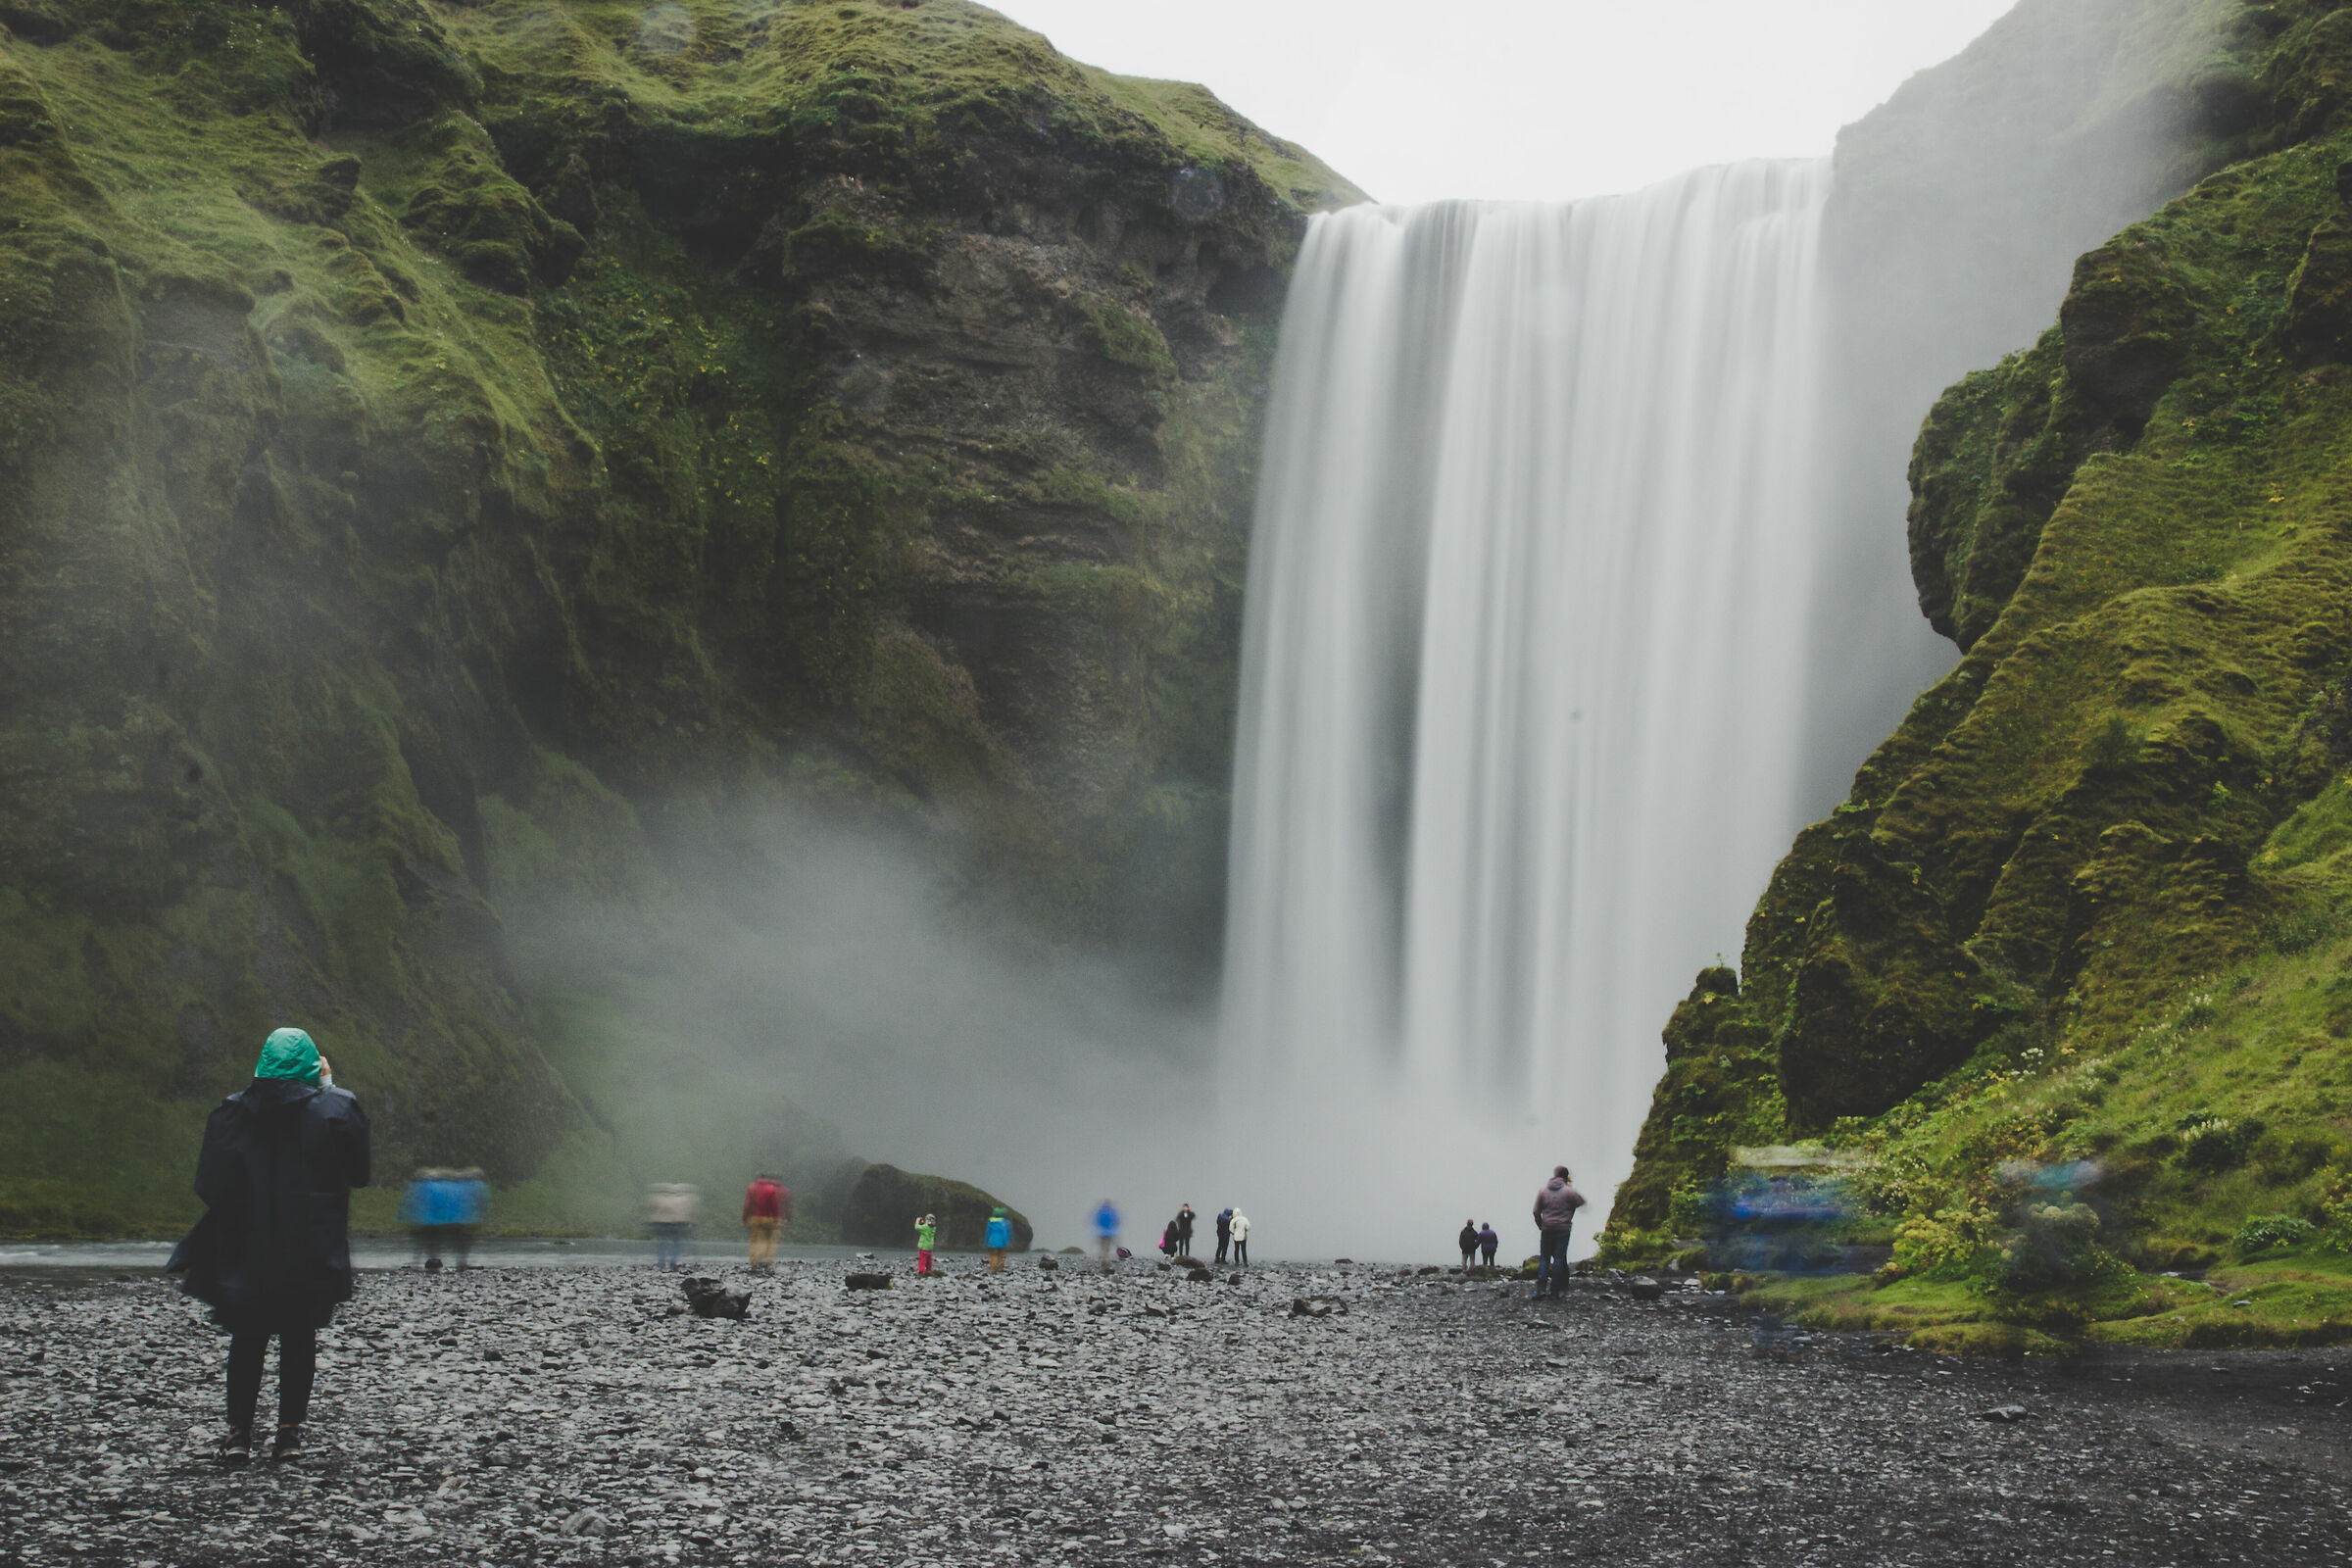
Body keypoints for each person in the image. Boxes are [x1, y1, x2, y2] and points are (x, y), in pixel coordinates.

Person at [170, 1027, 370, 1465]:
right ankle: (288, 1437)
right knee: (299, 1337)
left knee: (247, 1338)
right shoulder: (338, 1109)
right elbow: (359, 1171)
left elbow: (209, 1184)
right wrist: (330, 1089)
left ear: (262, 1064)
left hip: (245, 1245)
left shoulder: (230, 1113)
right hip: (310, 1246)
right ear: (312, 1066)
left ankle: (239, 1434)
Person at [1533, 1165, 1587, 1299]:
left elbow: (1535, 1211)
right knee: (1559, 1258)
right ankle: (1555, 1290)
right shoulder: (1569, 1192)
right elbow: (1581, 1202)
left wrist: (1541, 1224)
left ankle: (1540, 1289)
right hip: (1563, 1228)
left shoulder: (1543, 1191)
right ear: (1566, 1177)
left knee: (1544, 1258)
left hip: (1547, 1228)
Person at [645, 1183, 698, 1270]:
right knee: (677, 1243)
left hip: (661, 1223)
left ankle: (661, 1263)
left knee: (662, 1243)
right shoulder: (689, 1199)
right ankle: (673, 1261)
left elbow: (650, 1208)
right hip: (681, 1223)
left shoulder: (656, 1198)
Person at [742, 1173, 789, 1272]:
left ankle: (754, 1263)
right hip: (769, 1218)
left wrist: (744, 1218)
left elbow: (747, 1204)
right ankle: (768, 1262)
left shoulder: (751, 1188)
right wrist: (776, 1217)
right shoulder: (770, 1189)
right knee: (771, 1241)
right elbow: (774, 1205)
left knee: (754, 1241)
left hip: (755, 1218)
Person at [450, 1168, 488, 1269]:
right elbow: (482, 1201)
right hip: (471, 1218)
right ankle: (462, 1261)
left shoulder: (457, 1186)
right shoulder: (478, 1186)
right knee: (467, 1240)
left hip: (458, 1218)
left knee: (460, 1239)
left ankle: (460, 1260)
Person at [1094, 1199, 1120, 1273]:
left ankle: (1104, 1258)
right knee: (1107, 1246)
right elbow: (1116, 1221)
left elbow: (1097, 1221)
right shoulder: (1112, 1212)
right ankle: (1106, 1259)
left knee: (1103, 1246)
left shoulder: (1100, 1211)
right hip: (1110, 1232)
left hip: (1101, 1232)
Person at [984, 1205, 1012, 1273]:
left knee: (993, 1255)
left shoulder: (990, 1222)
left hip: (992, 1240)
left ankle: (992, 1268)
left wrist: (986, 1240)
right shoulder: (1003, 1223)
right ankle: (1000, 1267)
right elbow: (1004, 1233)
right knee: (1001, 1254)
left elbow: (987, 1232)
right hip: (1001, 1241)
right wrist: (1006, 1241)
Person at [914, 1212, 937, 1277]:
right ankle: (929, 1271)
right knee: (929, 1261)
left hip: (923, 1247)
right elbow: (926, 1226)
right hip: (929, 1248)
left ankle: (921, 1271)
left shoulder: (925, 1228)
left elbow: (917, 1227)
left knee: (922, 1261)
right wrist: (923, 1223)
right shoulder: (933, 1228)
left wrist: (917, 1221)